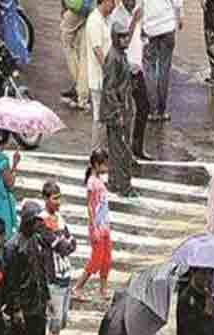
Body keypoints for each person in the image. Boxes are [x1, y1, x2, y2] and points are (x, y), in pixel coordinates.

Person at [3, 201, 50, 335]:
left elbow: (41, 273)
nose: (38, 224)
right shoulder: (13, 246)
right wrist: (16, 309)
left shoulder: (37, 241)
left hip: (38, 305)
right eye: (35, 220)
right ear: (28, 221)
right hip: (22, 308)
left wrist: (47, 299)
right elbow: (10, 283)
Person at [40, 182, 77, 335]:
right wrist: (64, 242)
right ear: (46, 199)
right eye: (55, 198)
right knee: (54, 323)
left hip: (66, 276)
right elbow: (62, 245)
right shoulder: (42, 221)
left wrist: (65, 243)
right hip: (53, 279)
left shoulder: (60, 219)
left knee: (61, 322)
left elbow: (72, 243)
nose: (58, 202)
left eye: (59, 197)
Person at [113, 0, 152, 161]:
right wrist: (135, 21)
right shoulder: (118, 17)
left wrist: (143, 36)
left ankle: (137, 146)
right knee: (126, 113)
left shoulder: (137, 11)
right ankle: (124, 150)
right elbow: (123, 43)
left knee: (144, 107)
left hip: (137, 68)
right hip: (125, 70)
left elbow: (139, 36)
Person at [101, 20, 136, 196]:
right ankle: (123, 186)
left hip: (123, 108)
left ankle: (115, 182)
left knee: (118, 149)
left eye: (126, 36)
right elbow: (109, 89)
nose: (125, 39)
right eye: (121, 36)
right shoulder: (113, 57)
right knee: (121, 150)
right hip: (117, 112)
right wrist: (117, 112)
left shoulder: (120, 54)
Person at [73, 149, 114, 298]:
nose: (107, 167)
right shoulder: (91, 182)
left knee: (107, 258)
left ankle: (103, 289)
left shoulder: (99, 180)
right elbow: (90, 205)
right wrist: (94, 227)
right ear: (97, 164)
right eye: (104, 164)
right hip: (97, 226)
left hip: (104, 225)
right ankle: (78, 287)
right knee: (96, 260)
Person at [143, 0, 182, 122]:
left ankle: (152, 110)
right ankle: (162, 110)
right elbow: (177, 2)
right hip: (167, 26)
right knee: (164, 69)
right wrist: (180, 16)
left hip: (149, 28)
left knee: (149, 69)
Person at [86, 0, 118, 148]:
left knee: (106, 117)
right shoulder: (94, 21)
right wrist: (109, 71)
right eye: (112, 2)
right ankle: (95, 151)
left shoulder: (107, 19)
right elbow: (97, 50)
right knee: (99, 118)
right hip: (100, 79)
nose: (114, 5)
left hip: (108, 78)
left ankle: (102, 150)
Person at [60, 0, 93, 109]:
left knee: (67, 44)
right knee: (84, 52)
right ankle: (83, 95)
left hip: (77, 6)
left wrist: (64, 6)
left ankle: (79, 87)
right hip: (91, 7)